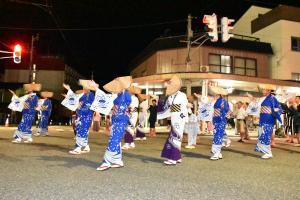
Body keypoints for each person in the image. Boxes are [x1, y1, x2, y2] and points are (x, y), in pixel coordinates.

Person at [97, 76, 132, 171]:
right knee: (114, 139)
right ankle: (118, 161)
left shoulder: (126, 94)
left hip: (121, 120)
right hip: (115, 119)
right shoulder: (117, 95)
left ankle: (106, 162)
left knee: (114, 140)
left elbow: (128, 104)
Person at [158, 76, 188, 165]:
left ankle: (174, 158)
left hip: (179, 118)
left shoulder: (182, 95)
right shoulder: (170, 96)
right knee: (175, 137)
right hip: (174, 118)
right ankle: (177, 157)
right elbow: (166, 108)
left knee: (176, 137)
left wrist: (187, 106)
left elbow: (184, 105)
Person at [62, 80, 96, 155]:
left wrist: (80, 108)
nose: (84, 88)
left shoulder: (91, 95)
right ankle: (86, 147)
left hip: (86, 116)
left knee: (81, 131)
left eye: (86, 87)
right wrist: (68, 90)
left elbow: (89, 106)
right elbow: (74, 97)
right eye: (84, 87)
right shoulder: (82, 95)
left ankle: (78, 148)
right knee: (82, 131)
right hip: (80, 115)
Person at [254, 84, 282, 159]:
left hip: (268, 119)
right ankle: (265, 151)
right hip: (263, 118)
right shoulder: (263, 98)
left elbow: (279, 109)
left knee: (265, 135)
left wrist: (273, 111)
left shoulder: (273, 98)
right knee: (261, 135)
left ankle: (268, 152)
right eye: (263, 89)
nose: (263, 91)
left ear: (269, 91)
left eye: (264, 90)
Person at [122, 85, 141, 150]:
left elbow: (132, 108)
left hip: (132, 114)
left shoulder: (134, 98)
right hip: (130, 114)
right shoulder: (131, 97)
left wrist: (128, 111)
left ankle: (127, 144)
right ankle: (132, 143)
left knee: (128, 128)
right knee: (130, 128)